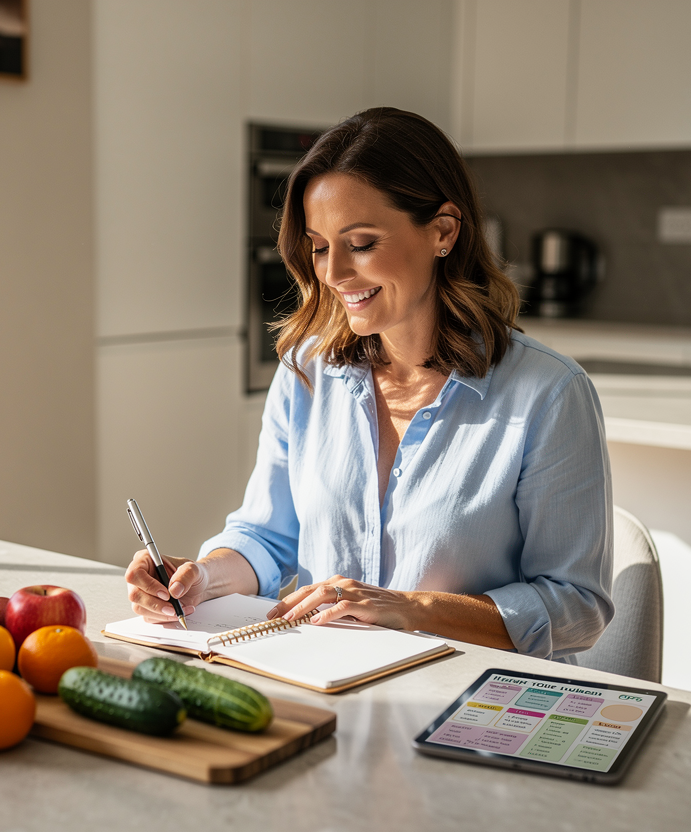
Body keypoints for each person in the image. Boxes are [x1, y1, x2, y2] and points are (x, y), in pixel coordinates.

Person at [125, 108, 613, 662]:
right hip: (335, 686)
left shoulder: (549, 394)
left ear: (443, 232)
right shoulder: (306, 372)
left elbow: (577, 607)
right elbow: (267, 538)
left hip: (476, 705)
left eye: (359, 243)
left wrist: (407, 609)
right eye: (318, 245)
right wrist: (200, 579)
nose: (332, 274)